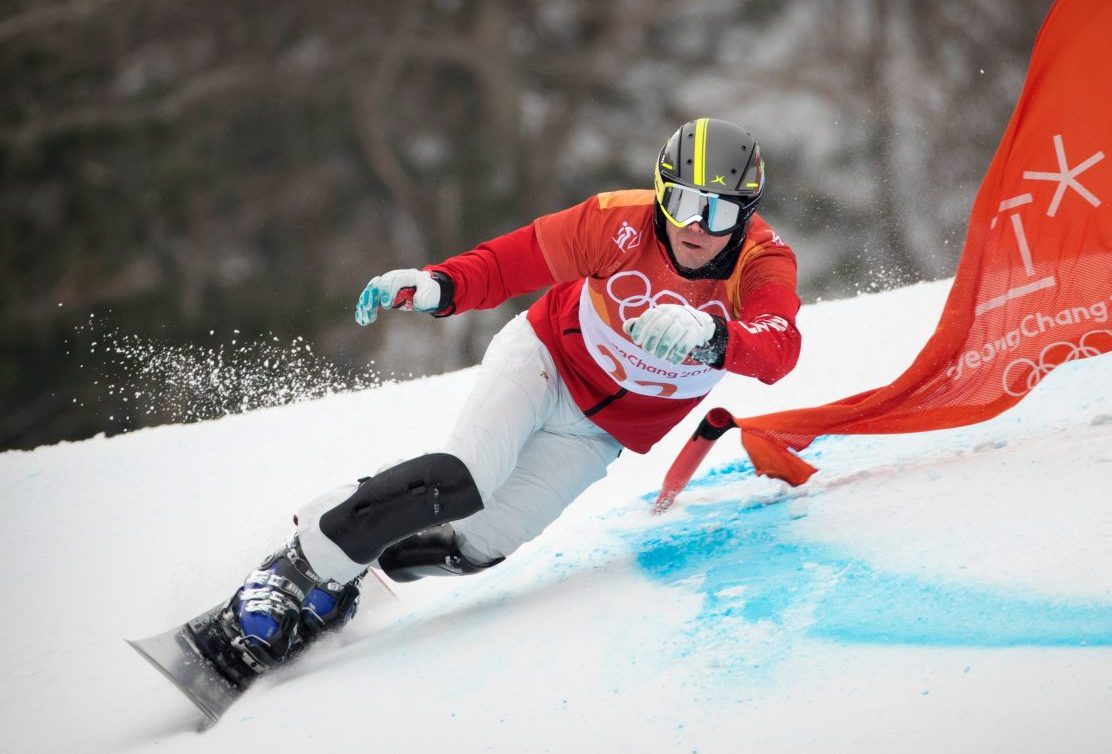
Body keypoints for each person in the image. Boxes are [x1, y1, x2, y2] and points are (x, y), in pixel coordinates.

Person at [189, 118, 802, 688]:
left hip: (600, 433)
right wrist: (440, 284)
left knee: (477, 545)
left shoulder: (761, 261)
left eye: (720, 212)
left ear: (746, 215)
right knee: (465, 478)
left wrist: (715, 336)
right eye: (683, 202)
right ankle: (293, 570)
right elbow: (516, 260)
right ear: (661, 193)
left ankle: (351, 567)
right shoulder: (617, 222)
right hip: (544, 362)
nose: (697, 227)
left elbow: (780, 348)